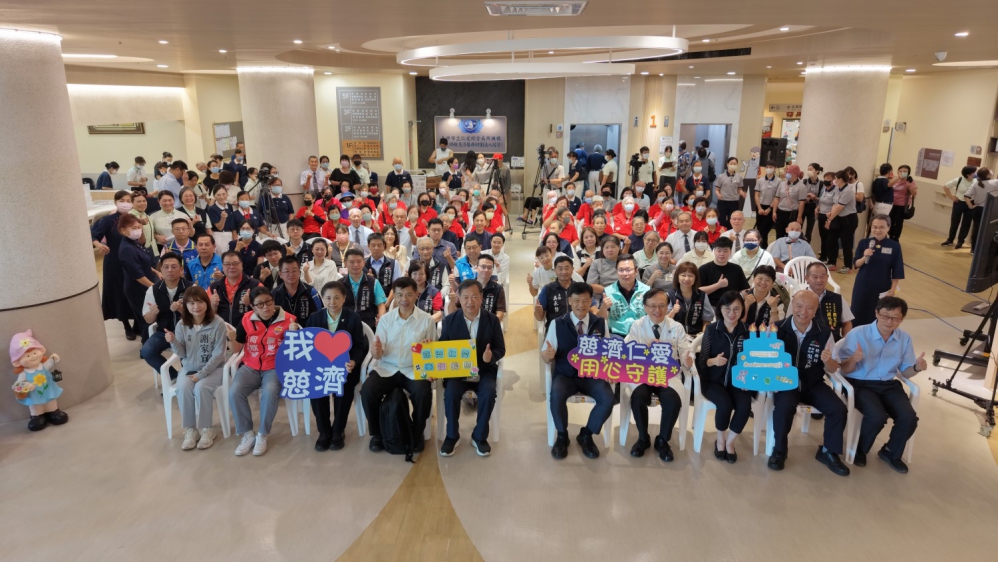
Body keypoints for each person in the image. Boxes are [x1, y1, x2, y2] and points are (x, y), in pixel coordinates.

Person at [839, 296, 925, 473]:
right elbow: (843, 369)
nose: (889, 321)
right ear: (877, 313)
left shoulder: (904, 339)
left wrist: (917, 367)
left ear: (902, 319)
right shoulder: (858, 334)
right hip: (860, 383)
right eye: (885, 316)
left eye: (895, 318)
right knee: (877, 416)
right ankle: (860, 450)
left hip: (888, 385)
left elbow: (906, 372)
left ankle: (890, 451)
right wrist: (853, 359)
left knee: (909, 418)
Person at [767, 290, 849, 475]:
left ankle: (828, 451)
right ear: (792, 306)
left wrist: (828, 360)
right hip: (785, 382)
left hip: (813, 383)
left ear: (815, 310)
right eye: (799, 306)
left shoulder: (824, 332)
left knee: (838, 409)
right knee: (783, 408)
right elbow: (765, 360)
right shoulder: (776, 329)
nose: (803, 312)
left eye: (809, 308)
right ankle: (779, 450)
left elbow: (833, 369)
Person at [360, 277, 438, 453]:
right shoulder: (386, 320)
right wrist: (376, 351)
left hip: (413, 369)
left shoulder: (426, 320)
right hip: (387, 367)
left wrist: (428, 348)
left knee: (423, 393)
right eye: (400, 295)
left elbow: (433, 352)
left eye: (409, 294)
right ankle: (377, 434)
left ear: (416, 294)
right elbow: (378, 354)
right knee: (367, 391)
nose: (404, 299)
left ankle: (416, 433)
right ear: (394, 296)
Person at [542, 282, 614, 460]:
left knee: (608, 398)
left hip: (592, 376)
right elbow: (545, 355)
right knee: (556, 394)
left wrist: (611, 369)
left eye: (585, 300)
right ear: (569, 301)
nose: (581, 305)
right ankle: (562, 435)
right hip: (566, 375)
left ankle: (586, 434)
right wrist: (547, 355)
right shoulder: (557, 324)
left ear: (591, 301)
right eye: (576, 301)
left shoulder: (600, 323)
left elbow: (608, 353)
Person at [625, 288, 695, 461]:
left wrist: (687, 360)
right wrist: (644, 349)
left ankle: (662, 440)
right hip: (643, 373)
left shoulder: (676, 327)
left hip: (667, 375)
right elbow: (626, 352)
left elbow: (686, 351)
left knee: (673, 401)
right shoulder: (637, 325)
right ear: (645, 307)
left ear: (667, 307)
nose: (657, 310)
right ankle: (643, 438)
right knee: (638, 397)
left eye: (662, 305)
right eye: (652, 306)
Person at [438, 280, 506, 457]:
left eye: (475, 297)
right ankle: (452, 436)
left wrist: (491, 357)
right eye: (465, 297)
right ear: (459, 299)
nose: (470, 302)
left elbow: (501, 349)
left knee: (489, 393)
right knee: (451, 393)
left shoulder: (492, 320)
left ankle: (479, 436)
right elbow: (442, 348)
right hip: (458, 372)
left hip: (484, 371)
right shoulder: (450, 321)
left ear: (481, 298)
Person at [230, 286, 297, 457]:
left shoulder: (289, 320)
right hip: (250, 366)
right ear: (253, 307)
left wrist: (294, 336)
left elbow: (296, 352)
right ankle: (247, 433)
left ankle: (262, 434)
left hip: (274, 367)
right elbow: (236, 348)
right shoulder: (246, 319)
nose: (266, 307)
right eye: (260, 304)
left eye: (268, 302)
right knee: (235, 392)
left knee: (269, 392)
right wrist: (230, 339)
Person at [302, 281, 369, 451]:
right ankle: (324, 432)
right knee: (316, 388)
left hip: (345, 367)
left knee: (344, 388)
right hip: (320, 368)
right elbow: (307, 345)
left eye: (337, 297)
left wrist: (354, 361)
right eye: (328, 298)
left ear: (344, 298)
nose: (332, 302)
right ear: (323, 299)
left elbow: (359, 346)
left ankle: (338, 430)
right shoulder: (315, 318)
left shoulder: (353, 318)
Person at [167, 285, 228, 451]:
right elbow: (181, 353)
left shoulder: (218, 323)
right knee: (183, 388)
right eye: (191, 303)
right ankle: (191, 430)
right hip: (189, 369)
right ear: (185, 305)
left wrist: (201, 375)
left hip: (213, 369)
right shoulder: (182, 324)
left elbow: (218, 354)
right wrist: (173, 341)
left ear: (207, 303)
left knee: (201, 388)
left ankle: (207, 429)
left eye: (200, 302)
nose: (196, 306)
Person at [696, 290, 751, 463]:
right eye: (727, 308)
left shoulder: (748, 332)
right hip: (713, 381)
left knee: (745, 406)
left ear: (742, 310)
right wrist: (713, 361)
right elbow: (702, 361)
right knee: (724, 404)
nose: (732, 313)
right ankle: (720, 439)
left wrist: (750, 379)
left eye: (736, 309)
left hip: (738, 382)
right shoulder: (712, 330)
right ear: (720, 309)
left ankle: (730, 441)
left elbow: (754, 361)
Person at [92, 192, 140, 339]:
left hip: (134, 258)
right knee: (119, 293)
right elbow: (94, 235)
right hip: (115, 261)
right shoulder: (108, 220)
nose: (125, 203)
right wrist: (99, 245)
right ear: (115, 202)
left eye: (128, 200)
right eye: (122, 200)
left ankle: (137, 323)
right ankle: (126, 325)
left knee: (136, 291)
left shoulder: (134, 218)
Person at [139, 252, 191, 380]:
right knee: (146, 351)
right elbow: (148, 320)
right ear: (160, 269)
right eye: (166, 267)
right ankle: (174, 377)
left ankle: (188, 379)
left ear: (181, 269)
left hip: (188, 332)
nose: (169, 270)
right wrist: (152, 313)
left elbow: (199, 316)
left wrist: (181, 310)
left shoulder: (191, 288)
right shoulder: (153, 290)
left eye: (174, 266)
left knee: (190, 354)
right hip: (164, 332)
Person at [851, 215, 904, 327]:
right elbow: (856, 264)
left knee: (879, 315)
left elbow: (897, 270)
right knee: (858, 312)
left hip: (882, 287)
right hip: (863, 285)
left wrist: (892, 291)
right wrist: (864, 257)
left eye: (881, 227)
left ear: (888, 228)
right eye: (874, 227)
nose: (877, 230)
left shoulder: (894, 246)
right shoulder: (864, 243)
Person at [117, 213, 158, 343]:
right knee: (145, 319)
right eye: (133, 228)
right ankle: (146, 347)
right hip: (137, 289)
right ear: (123, 230)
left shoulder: (134, 243)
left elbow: (143, 261)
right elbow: (138, 275)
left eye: (139, 227)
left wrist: (156, 271)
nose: (137, 230)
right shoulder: (127, 249)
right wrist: (155, 288)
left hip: (145, 285)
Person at [600, 254, 650, 343]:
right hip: (616, 335)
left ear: (636, 271)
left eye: (628, 270)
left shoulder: (647, 290)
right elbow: (601, 319)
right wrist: (604, 307)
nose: (625, 274)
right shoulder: (608, 291)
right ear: (616, 271)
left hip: (640, 333)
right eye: (621, 270)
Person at [210, 251, 261, 327]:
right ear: (222, 266)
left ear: (241, 265)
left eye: (235, 263)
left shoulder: (256, 285)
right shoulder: (214, 287)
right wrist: (213, 306)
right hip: (222, 330)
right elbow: (207, 316)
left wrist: (251, 303)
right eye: (227, 264)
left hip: (248, 330)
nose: (231, 267)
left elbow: (266, 311)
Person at [697, 237, 749, 309]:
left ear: (730, 252)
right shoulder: (704, 269)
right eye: (719, 251)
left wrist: (740, 297)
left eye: (725, 251)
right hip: (710, 306)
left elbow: (745, 289)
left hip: (732, 306)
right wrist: (718, 285)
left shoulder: (737, 269)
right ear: (714, 251)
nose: (722, 254)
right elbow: (698, 291)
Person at [824, 170, 859, 273]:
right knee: (831, 239)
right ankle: (832, 262)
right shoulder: (837, 189)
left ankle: (848, 266)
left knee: (846, 243)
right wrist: (831, 213)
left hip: (849, 219)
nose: (833, 180)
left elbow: (840, 207)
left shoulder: (848, 191)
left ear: (840, 179)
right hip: (838, 218)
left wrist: (829, 220)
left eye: (835, 178)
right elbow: (835, 204)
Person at [272, 256, 322, 326]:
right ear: (280, 274)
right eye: (287, 271)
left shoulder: (311, 292)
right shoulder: (274, 294)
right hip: (282, 331)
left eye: (294, 271)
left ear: (300, 272)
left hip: (307, 331)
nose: (291, 274)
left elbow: (319, 315)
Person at [667, 262, 713, 337]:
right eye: (683, 275)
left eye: (690, 275)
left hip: (696, 336)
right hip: (675, 335)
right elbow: (665, 321)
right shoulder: (670, 294)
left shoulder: (702, 295)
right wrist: (673, 311)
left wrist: (702, 336)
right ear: (677, 277)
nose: (687, 279)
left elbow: (707, 321)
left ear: (695, 278)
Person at [965, 168, 998, 253]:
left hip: (977, 209)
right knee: (988, 230)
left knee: (976, 229)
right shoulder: (994, 182)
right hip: (989, 209)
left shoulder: (976, 183)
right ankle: (984, 250)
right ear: (987, 174)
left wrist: (971, 206)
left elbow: (966, 196)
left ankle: (973, 249)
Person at [773, 164, 806, 240]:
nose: (786, 174)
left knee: (791, 235)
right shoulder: (782, 184)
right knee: (779, 234)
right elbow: (777, 198)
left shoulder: (801, 186)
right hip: (780, 212)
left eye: (788, 172)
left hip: (792, 214)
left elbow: (801, 203)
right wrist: (774, 212)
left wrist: (799, 217)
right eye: (786, 172)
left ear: (795, 174)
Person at [754, 162, 781, 248]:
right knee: (760, 230)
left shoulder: (779, 181)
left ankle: (764, 247)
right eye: (767, 167)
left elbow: (777, 197)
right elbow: (756, 195)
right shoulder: (760, 180)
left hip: (771, 208)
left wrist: (770, 208)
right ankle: (762, 247)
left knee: (765, 229)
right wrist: (759, 208)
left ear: (775, 168)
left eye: (771, 167)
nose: (769, 169)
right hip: (760, 207)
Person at [713, 157, 745, 228]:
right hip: (723, 201)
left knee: (732, 221)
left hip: (734, 201)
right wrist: (718, 195)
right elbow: (717, 190)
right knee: (721, 220)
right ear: (727, 164)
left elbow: (739, 189)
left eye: (735, 164)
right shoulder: (721, 176)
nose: (733, 165)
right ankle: (722, 233)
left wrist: (742, 193)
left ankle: (730, 233)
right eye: (731, 163)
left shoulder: (739, 177)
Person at [888, 164, 917, 241]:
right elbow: (889, 185)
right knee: (890, 220)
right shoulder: (895, 179)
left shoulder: (910, 181)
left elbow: (914, 194)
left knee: (898, 222)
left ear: (908, 173)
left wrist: (910, 186)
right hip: (892, 204)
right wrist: (898, 178)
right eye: (900, 171)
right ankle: (890, 235)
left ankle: (895, 238)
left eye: (904, 171)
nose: (902, 173)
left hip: (902, 205)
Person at [816, 171, 839, 266]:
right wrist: (817, 208)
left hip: (830, 216)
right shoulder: (824, 188)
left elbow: (836, 204)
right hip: (821, 214)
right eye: (825, 178)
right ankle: (823, 256)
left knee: (830, 239)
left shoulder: (836, 190)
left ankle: (831, 259)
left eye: (828, 178)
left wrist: (830, 217)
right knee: (823, 237)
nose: (826, 180)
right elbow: (821, 200)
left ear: (833, 180)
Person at [800, 163, 823, 241]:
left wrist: (814, 197)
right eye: (808, 169)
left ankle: (807, 245)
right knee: (799, 226)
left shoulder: (821, 184)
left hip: (813, 207)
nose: (809, 171)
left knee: (809, 230)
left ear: (817, 171)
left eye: (811, 169)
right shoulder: (804, 181)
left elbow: (822, 198)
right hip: (803, 206)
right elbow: (799, 194)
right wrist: (807, 195)